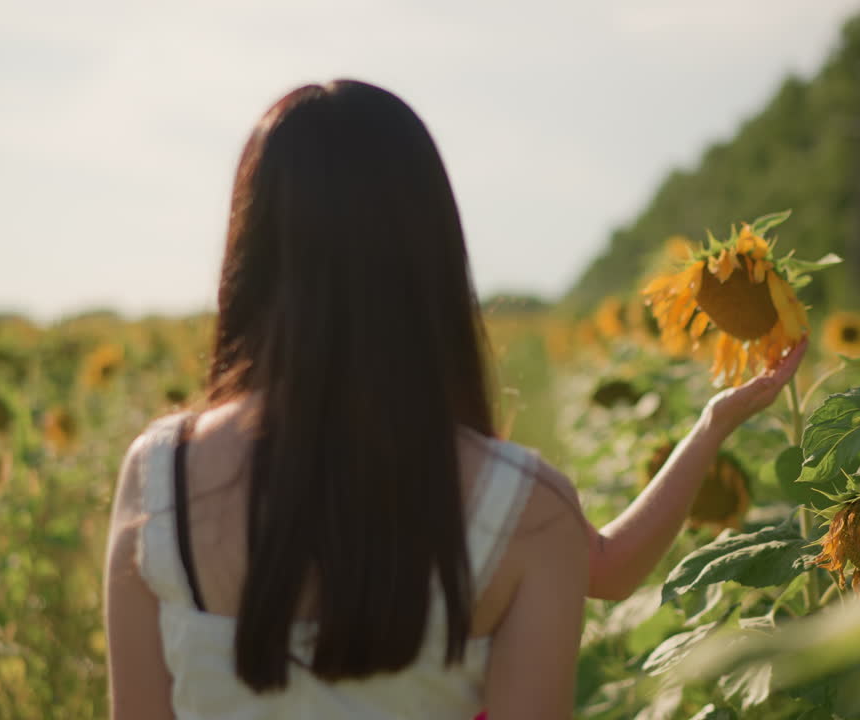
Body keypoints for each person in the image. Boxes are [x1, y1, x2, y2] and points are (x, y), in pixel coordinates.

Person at [103, 79, 806, 720]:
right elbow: (605, 568)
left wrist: (713, 424)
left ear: (251, 250)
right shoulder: (526, 507)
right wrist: (715, 427)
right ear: (431, 253)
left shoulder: (159, 478)